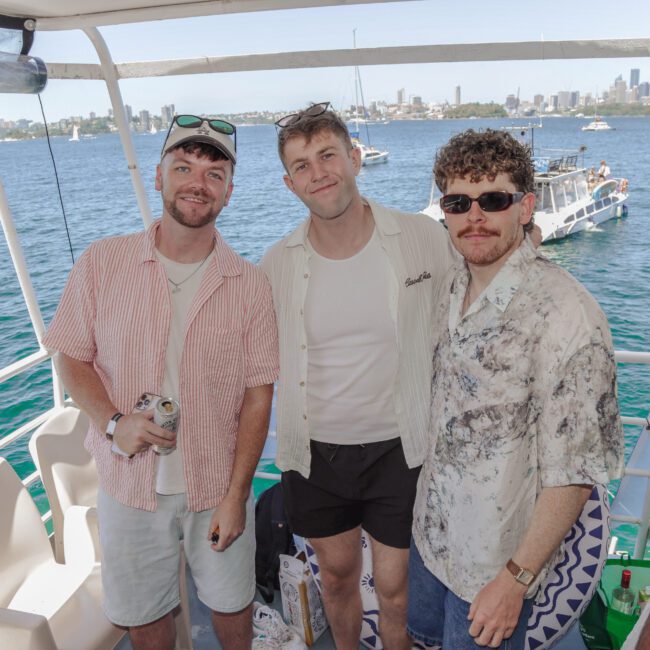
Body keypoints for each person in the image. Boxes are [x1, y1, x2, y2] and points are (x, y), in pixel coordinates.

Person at [42, 115, 279, 650]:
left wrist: (238, 495)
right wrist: (114, 422)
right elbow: (72, 356)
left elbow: (258, 396)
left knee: (232, 606)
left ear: (229, 191)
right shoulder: (102, 263)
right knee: (145, 619)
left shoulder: (252, 285)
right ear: (158, 177)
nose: (198, 182)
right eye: (184, 167)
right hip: (128, 487)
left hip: (216, 483)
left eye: (214, 173)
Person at [408, 129, 624, 649]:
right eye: (459, 202)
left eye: (494, 200)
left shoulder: (566, 316)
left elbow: (573, 475)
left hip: (494, 565)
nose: (474, 216)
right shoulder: (455, 282)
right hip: (432, 538)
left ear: (525, 207)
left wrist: (515, 580)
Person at [260, 102, 457, 650]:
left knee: (395, 588)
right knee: (339, 576)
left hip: (401, 446)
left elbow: (473, 306)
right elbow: (252, 359)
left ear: (355, 157)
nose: (318, 171)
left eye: (327, 155)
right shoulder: (277, 264)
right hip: (316, 452)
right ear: (288, 183)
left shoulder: (421, 237)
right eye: (302, 165)